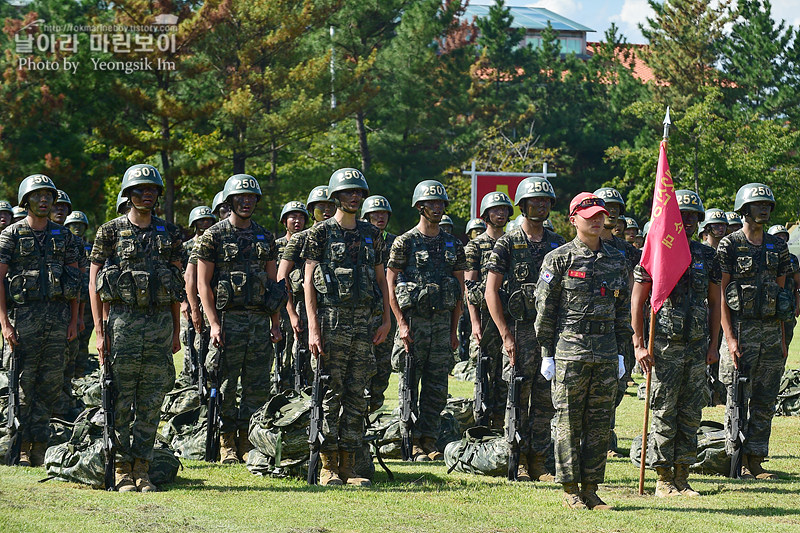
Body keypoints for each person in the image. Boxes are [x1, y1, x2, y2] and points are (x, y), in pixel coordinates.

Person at [89, 164, 183, 492]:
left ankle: (142, 467)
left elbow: (175, 286)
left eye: (152, 190)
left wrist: (176, 329)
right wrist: (100, 333)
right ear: (128, 194)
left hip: (158, 325)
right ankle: (120, 468)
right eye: (140, 189)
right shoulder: (109, 231)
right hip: (122, 322)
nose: (146, 194)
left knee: (151, 399)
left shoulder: (171, 233)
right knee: (120, 397)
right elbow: (95, 283)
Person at [535, 192, 631, 510]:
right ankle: (570, 490)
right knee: (567, 423)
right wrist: (546, 353)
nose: (596, 220)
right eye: (589, 215)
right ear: (573, 219)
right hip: (569, 353)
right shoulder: (559, 259)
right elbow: (545, 311)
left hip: (605, 353)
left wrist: (621, 353)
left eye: (600, 215)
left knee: (600, 424)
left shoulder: (617, 260)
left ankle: (591, 488)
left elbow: (622, 311)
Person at [302, 168, 391, 486]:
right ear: (336, 197)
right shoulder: (321, 233)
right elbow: (309, 282)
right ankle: (328, 466)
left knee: (356, 395)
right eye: (348, 192)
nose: (354, 197)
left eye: (358, 192)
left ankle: (349, 466)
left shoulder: (372, 233)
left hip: (363, 327)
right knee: (330, 395)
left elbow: (381, 279)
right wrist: (313, 326)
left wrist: (386, 318)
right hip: (330, 324)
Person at [631, 190, 721, 497]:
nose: (689, 220)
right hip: (664, 347)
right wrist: (640, 344)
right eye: (683, 215)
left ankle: (683, 475)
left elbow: (714, 301)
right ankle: (663, 479)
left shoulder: (707, 255)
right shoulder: (655, 251)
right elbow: (639, 300)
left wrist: (713, 345)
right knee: (664, 412)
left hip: (696, 347)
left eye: (695, 216)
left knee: (690, 412)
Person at [196, 174, 282, 464]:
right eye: (240, 198)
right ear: (229, 201)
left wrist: (275, 322)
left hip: (258, 321)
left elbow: (273, 285)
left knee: (257, 385)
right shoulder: (214, 236)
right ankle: (226, 442)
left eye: (251, 198)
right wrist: (214, 324)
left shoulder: (265, 236)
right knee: (226, 384)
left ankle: (248, 440)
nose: (246, 202)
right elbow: (202, 284)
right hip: (227, 321)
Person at [485, 179, 565, 481]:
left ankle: (539, 462)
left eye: (545, 201)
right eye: (535, 201)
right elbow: (491, 290)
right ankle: (515, 459)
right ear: (523, 205)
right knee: (517, 397)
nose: (541, 205)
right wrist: (505, 334)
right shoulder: (507, 242)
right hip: (519, 331)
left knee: (545, 400)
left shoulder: (557, 243)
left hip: (549, 334)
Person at [0, 174, 80, 466]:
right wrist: (4, 324)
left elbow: (74, 281)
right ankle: (20, 446)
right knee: (23, 384)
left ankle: (40, 445)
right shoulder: (11, 235)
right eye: (37, 196)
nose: (44, 200)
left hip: (58, 320)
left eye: (48, 196)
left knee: (50, 384)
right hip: (23, 319)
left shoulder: (65, 236)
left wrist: (74, 320)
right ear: (26, 200)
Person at [387, 180, 466, 462]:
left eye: (441, 203)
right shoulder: (404, 242)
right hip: (414, 324)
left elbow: (459, 290)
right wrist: (401, 323)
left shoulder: (453, 244)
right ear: (420, 207)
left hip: (442, 325)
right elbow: (390, 283)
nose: (437, 208)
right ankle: (411, 442)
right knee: (409, 384)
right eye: (431, 204)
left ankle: (429, 439)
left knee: (436, 388)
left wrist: (455, 328)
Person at [718, 183, 792, 480]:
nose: (764, 209)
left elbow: (783, 295)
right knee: (738, 398)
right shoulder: (730, 244)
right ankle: (735, 458)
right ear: (744, 209)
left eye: (768, 205)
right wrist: (730, 338)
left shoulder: (779, 246)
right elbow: (721, 294)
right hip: (741, 330)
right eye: (758, 205)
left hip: (772, 334)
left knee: (765, 399)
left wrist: (784, 337)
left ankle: (756, 460)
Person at [594, 187, 639, 457]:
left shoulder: (626, 250)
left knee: (617, 385)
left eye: (616, 207)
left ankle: (606, 438)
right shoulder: (582, 244)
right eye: (606, 206)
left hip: (618, 328)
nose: (611, 211)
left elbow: (636, 287)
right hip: (588, 329)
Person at [276, 186, 335, 390]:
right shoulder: (302, 238)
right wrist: (291, 313)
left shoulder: (344, 236)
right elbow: (281, 277)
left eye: (331, 206)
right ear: (312, 210)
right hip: (303, 310)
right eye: (321, 207)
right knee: (304, 365)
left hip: (335, 312)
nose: (327, 211)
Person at [465, 191, 513, 430]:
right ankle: (483, 420)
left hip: (510, 315)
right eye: (496, 210)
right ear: (486, 215)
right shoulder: (475, 246)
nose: (501, 213)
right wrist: (474, 323)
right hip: (485, 318)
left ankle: (502, 419)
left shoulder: (514, 242)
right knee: (485, 371)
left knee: (507, 371)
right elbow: (470, 287)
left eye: (504, 209)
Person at [49, 192, 88, 420]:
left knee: (66, 366)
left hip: (65, 316)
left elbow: (79, 284)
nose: (61, 210)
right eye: (57, 205)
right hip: (34, 317)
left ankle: (61, 414)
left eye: (65, 206)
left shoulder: (74, 242)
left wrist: (78, 317)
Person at [361, 194, 397, 412]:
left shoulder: (396, 242)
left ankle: (374, 408)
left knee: (383, 367)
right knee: (363, 366)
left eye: (384, 213)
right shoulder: (359, 238)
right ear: (367, 216)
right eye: (375, 213)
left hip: (386, 311)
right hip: (363, 312)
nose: (380, 217)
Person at [273, 201, 309, 391]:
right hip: (282, 309)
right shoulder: (276, 246)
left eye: (301, 217)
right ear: (284, 220)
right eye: (293, 217)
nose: (297, 221)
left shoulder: (309, 244)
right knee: (282, 356)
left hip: (304, 306)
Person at [179, 205, 216, 384]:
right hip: (190, 302)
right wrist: (184, 302)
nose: (205, 224)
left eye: (208, 220)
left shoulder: (216, 243)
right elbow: (183, 277)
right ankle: (190, 377)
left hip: (209, 302)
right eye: (201, 221)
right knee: (190, 342)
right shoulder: (186, 247)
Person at [64, 210, 94, 379]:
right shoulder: (64, 246)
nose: (77, 228)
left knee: (83, 341)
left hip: (88, 303)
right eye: (73, 225)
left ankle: (80, 375)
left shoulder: (92, 249)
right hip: (70, 303)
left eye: (80, 225)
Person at [767, 224, 800, 350]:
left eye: (783, 236)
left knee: (787, 337)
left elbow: (797, 284)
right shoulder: (766, 258)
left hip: (788, 306)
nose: (781, 239)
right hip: (770, 305)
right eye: (777, 236)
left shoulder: (792, 259)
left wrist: (797, 303)